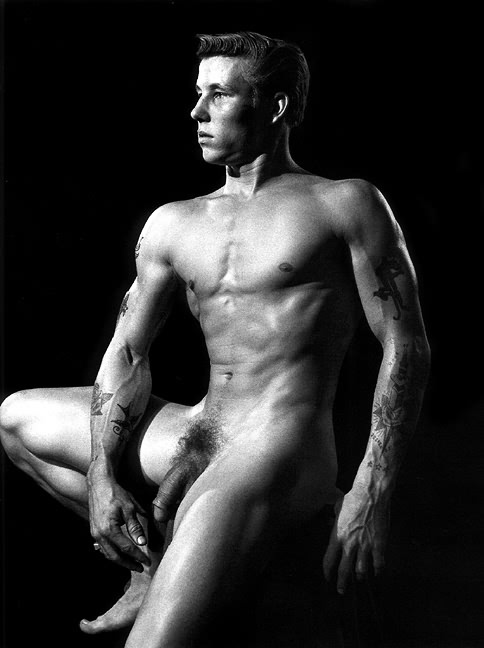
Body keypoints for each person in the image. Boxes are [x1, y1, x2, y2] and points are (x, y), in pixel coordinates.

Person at [0, 31, 430, 647]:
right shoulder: (174, 222)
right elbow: (128, 352)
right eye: (197, 93)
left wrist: (372, 489)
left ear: (275, 106)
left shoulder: (344, 204)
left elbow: (405, 345)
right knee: (16, 418)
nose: (196, 112)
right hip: (200, 425)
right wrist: (100, 478)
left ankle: (236, 537)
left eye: (219, 94)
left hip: (276, 448)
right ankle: (148, 566)